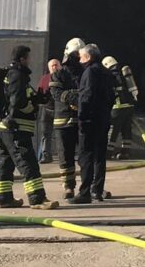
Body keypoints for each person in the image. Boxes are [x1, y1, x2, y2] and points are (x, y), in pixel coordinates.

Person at [0, 45, 58, 210]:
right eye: (28, 57)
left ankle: (4, 198)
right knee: (27, 162)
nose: (30, 60)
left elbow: (20, 96)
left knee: (5, 163)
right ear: (22, 59)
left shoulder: (10, 74)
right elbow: (19, 101)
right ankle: (38, 199)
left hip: (4, 127)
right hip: (16, 128)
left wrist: (38, 98)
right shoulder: (17, 75)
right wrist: (32, 108)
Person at [68, 43, 114, 204]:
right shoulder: (106, 72)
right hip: (103, 119)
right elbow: (111, 97)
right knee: (100, 156)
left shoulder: (89, 72)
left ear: (88, 57)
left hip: (90, 120)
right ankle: (97, 190)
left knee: (86, 155)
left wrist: (82, 117)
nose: (79, 61)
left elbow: (86, 96)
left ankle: (85, 192)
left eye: (81, 57)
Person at [51, 38, 85, 199]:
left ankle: (89, 186)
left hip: (82, 120)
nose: (78, 58)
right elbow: (56, 93)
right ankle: (68, 187)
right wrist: (74, 98)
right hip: (63, 122)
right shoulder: (59, 74)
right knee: (66, 157)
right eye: (75, 54)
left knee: (86, 155)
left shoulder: (85, 73)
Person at [103, 55, 137, 160]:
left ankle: (108, 152)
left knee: (113, 129)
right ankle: (125, 152)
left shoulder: (110, 76)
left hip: (117, 107)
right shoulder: (124, 73)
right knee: (126, 129)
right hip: (130, 106)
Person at [35, 58, 60, 164]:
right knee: (45, 133)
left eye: (56, 65)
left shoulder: (65, 77)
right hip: (46, 109)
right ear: (49, 68)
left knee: (60, 134)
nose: (54, 67)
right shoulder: (44, 78)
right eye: (52, 66)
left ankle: (63, 155)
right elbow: (39, 93)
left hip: (60, 110)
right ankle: (46, 155)